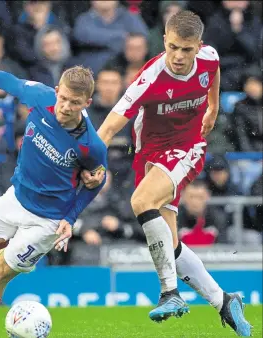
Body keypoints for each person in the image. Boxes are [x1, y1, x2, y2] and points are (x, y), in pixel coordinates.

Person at [81, 10, 252, 336]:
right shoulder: (148, 78)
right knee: (169, 244)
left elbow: (213, 74)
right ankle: (224, 301)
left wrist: (213, 107)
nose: (178, 56)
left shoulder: (209, 58)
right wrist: (93, 162)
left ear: (198, 46)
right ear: (164, 42)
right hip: (149, 155)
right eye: (173, 47)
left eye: (186, 50)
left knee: (141, 201)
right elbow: (110, 125)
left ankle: (170, 293)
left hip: (188, 147)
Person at [0, 60, 107, 338]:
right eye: (63, 98)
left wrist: (70, 218)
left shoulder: (91, 144)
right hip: (14, 199)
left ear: (86, 103)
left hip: (47, 221)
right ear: (56, 90)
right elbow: (10, 82)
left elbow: (98, 179)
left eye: (74, 103)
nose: (65, 107)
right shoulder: (41, 97)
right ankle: (15, 245)